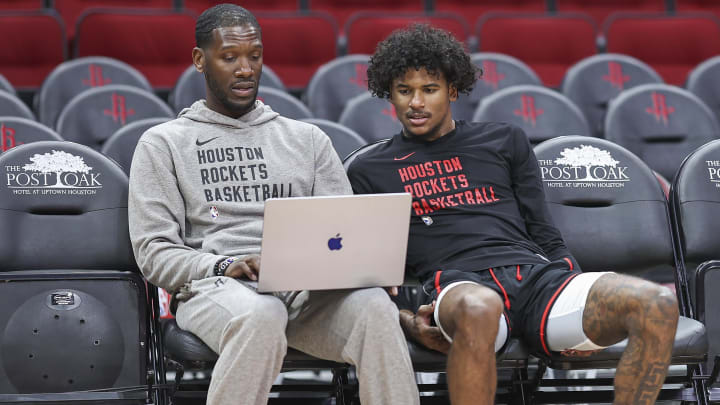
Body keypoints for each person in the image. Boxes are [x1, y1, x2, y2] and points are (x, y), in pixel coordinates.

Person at [346, 24, 679, 405]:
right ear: (389, 95)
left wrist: (579, 320)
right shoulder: (370, 168)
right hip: (459, 284)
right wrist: (406, 320)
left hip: (538, 280)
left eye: (430, 89)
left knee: (658, 304)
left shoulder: (504, 140)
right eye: (404, 91)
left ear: (453, 90)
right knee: (480, 307)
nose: (415, 103)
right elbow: (367, 271)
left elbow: (544, 231)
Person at [128, 4, 419, 405]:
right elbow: (153, 252)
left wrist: (362, 268)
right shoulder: (164, 144)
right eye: (229, 57)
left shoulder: (307, 139)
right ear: (200, 60)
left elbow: (345, 233)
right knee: (262, 315)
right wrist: (223, 264)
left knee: (375, 310)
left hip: (305, 295)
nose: (245, 69)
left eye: (254, 56)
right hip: (216, 288)